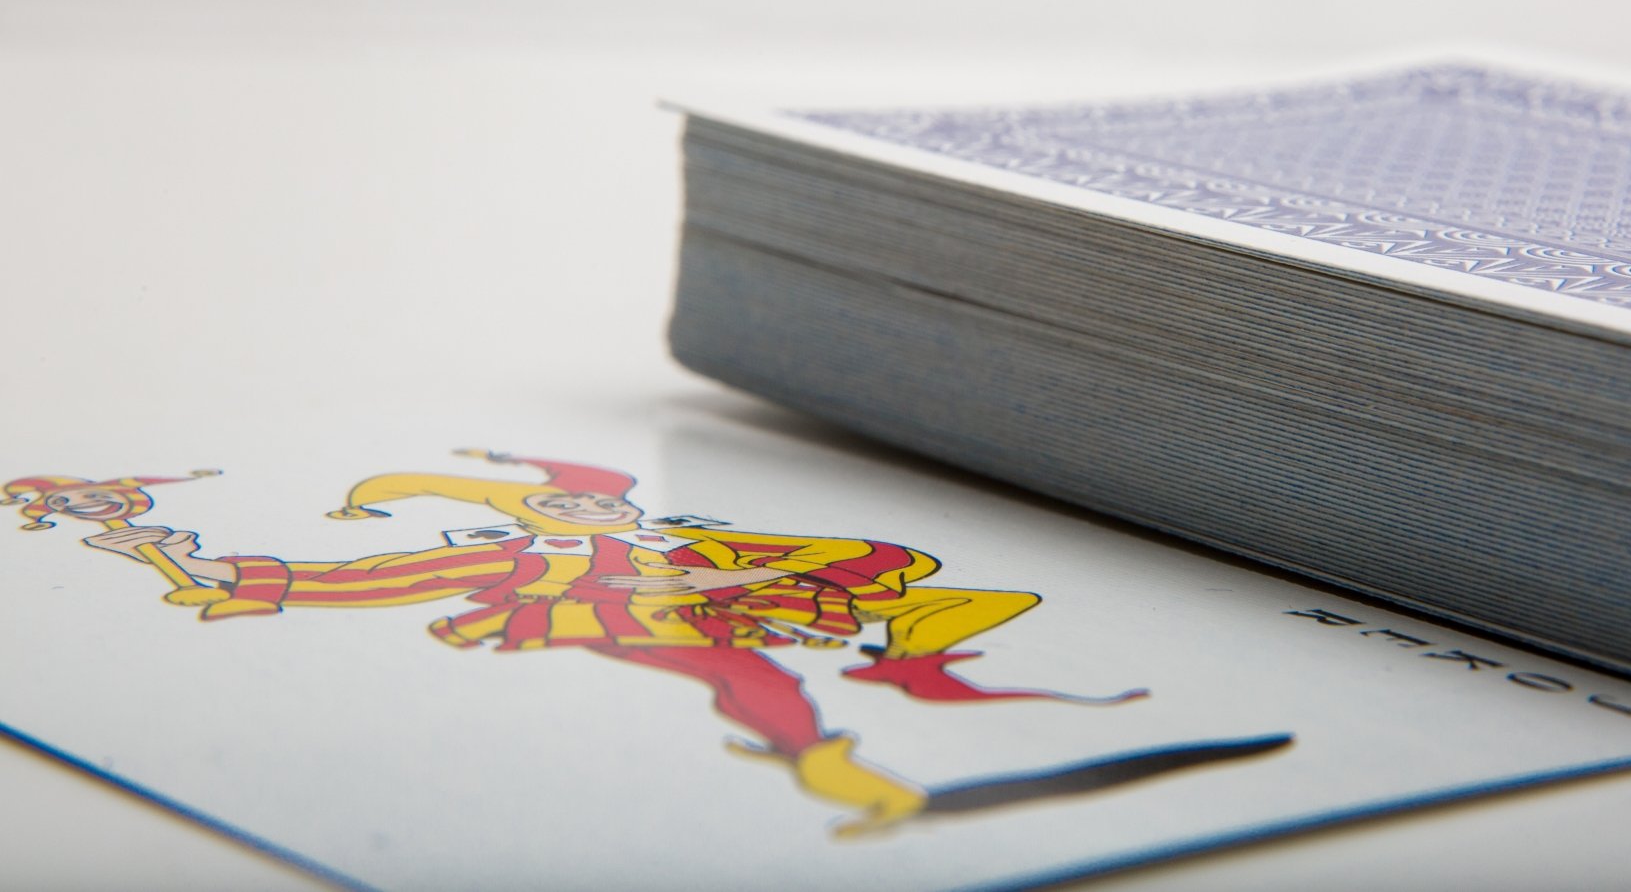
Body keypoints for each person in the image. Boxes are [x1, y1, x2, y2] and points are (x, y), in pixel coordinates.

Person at [80, 449, 1137, 834]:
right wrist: (193, 563)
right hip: (646, 628)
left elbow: (862, 549)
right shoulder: (511, 560)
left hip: (752, 601)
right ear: (534, 513)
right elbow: (362, 580)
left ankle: (908, 672)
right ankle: (828, 762)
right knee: (739, 669)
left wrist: (765, 571)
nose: (577, 515)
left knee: (938, 607)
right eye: (556, 505)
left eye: (588, 504)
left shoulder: (693, 534)